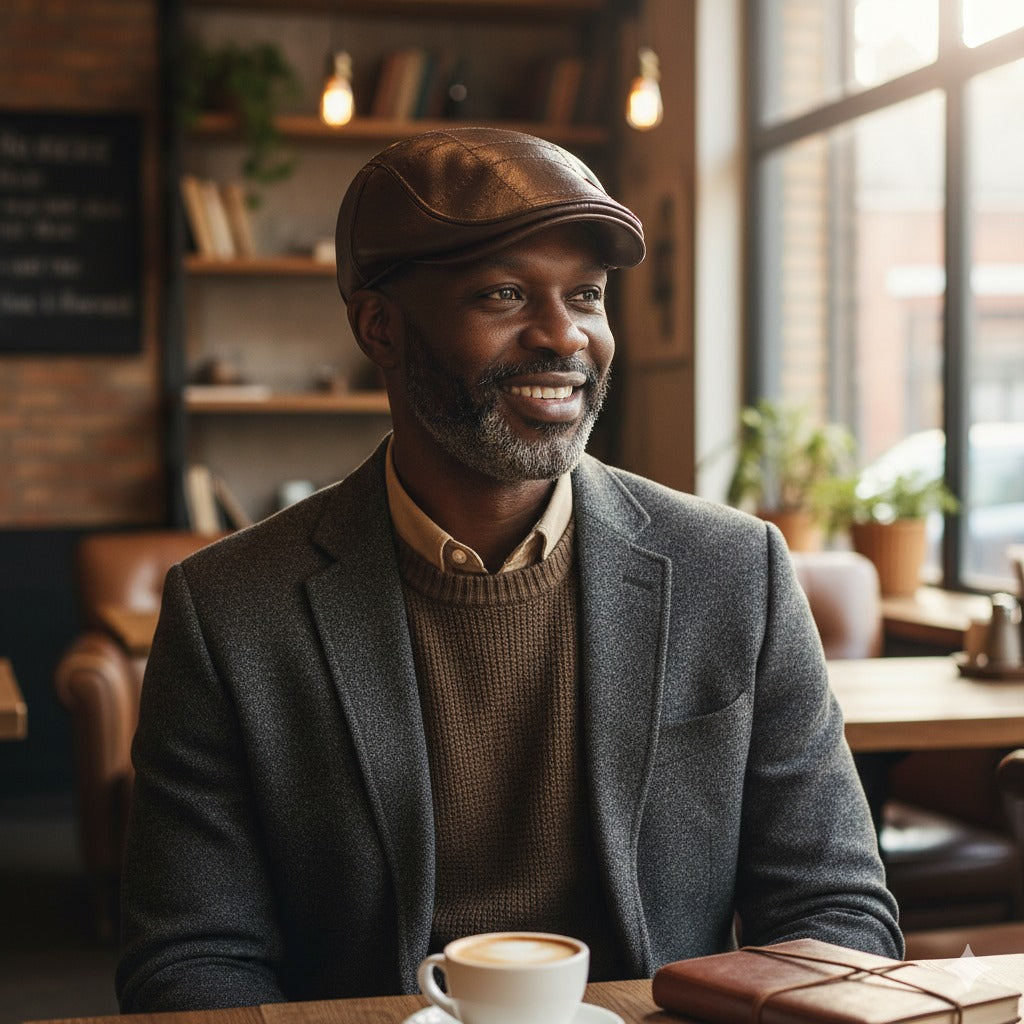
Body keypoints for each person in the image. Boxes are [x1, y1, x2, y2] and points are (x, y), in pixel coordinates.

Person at [116, 127, 901, 1012]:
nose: (564, 335)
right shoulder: (227, 610)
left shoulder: (735, 570)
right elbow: (189, 959)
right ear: (381, 327)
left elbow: (832, 909)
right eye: (503, 294)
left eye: (588, 296)